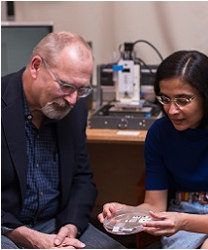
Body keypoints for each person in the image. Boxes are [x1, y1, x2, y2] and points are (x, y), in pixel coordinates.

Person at [98, 50, 208, 249]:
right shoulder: (159, 134)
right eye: (165, 99)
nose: (172, 110)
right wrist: (126, 211)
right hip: (182, 214)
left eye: (183, 100)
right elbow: (154, 205)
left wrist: (181, 221)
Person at [2, 31, 124, 249]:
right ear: (36, 66)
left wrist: (71, 227)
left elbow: (82, 179)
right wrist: (28, 237)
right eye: (65, 86)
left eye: (82, 89)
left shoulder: (73, 109)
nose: (73, 99)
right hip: (7, 227)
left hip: (56, 225)